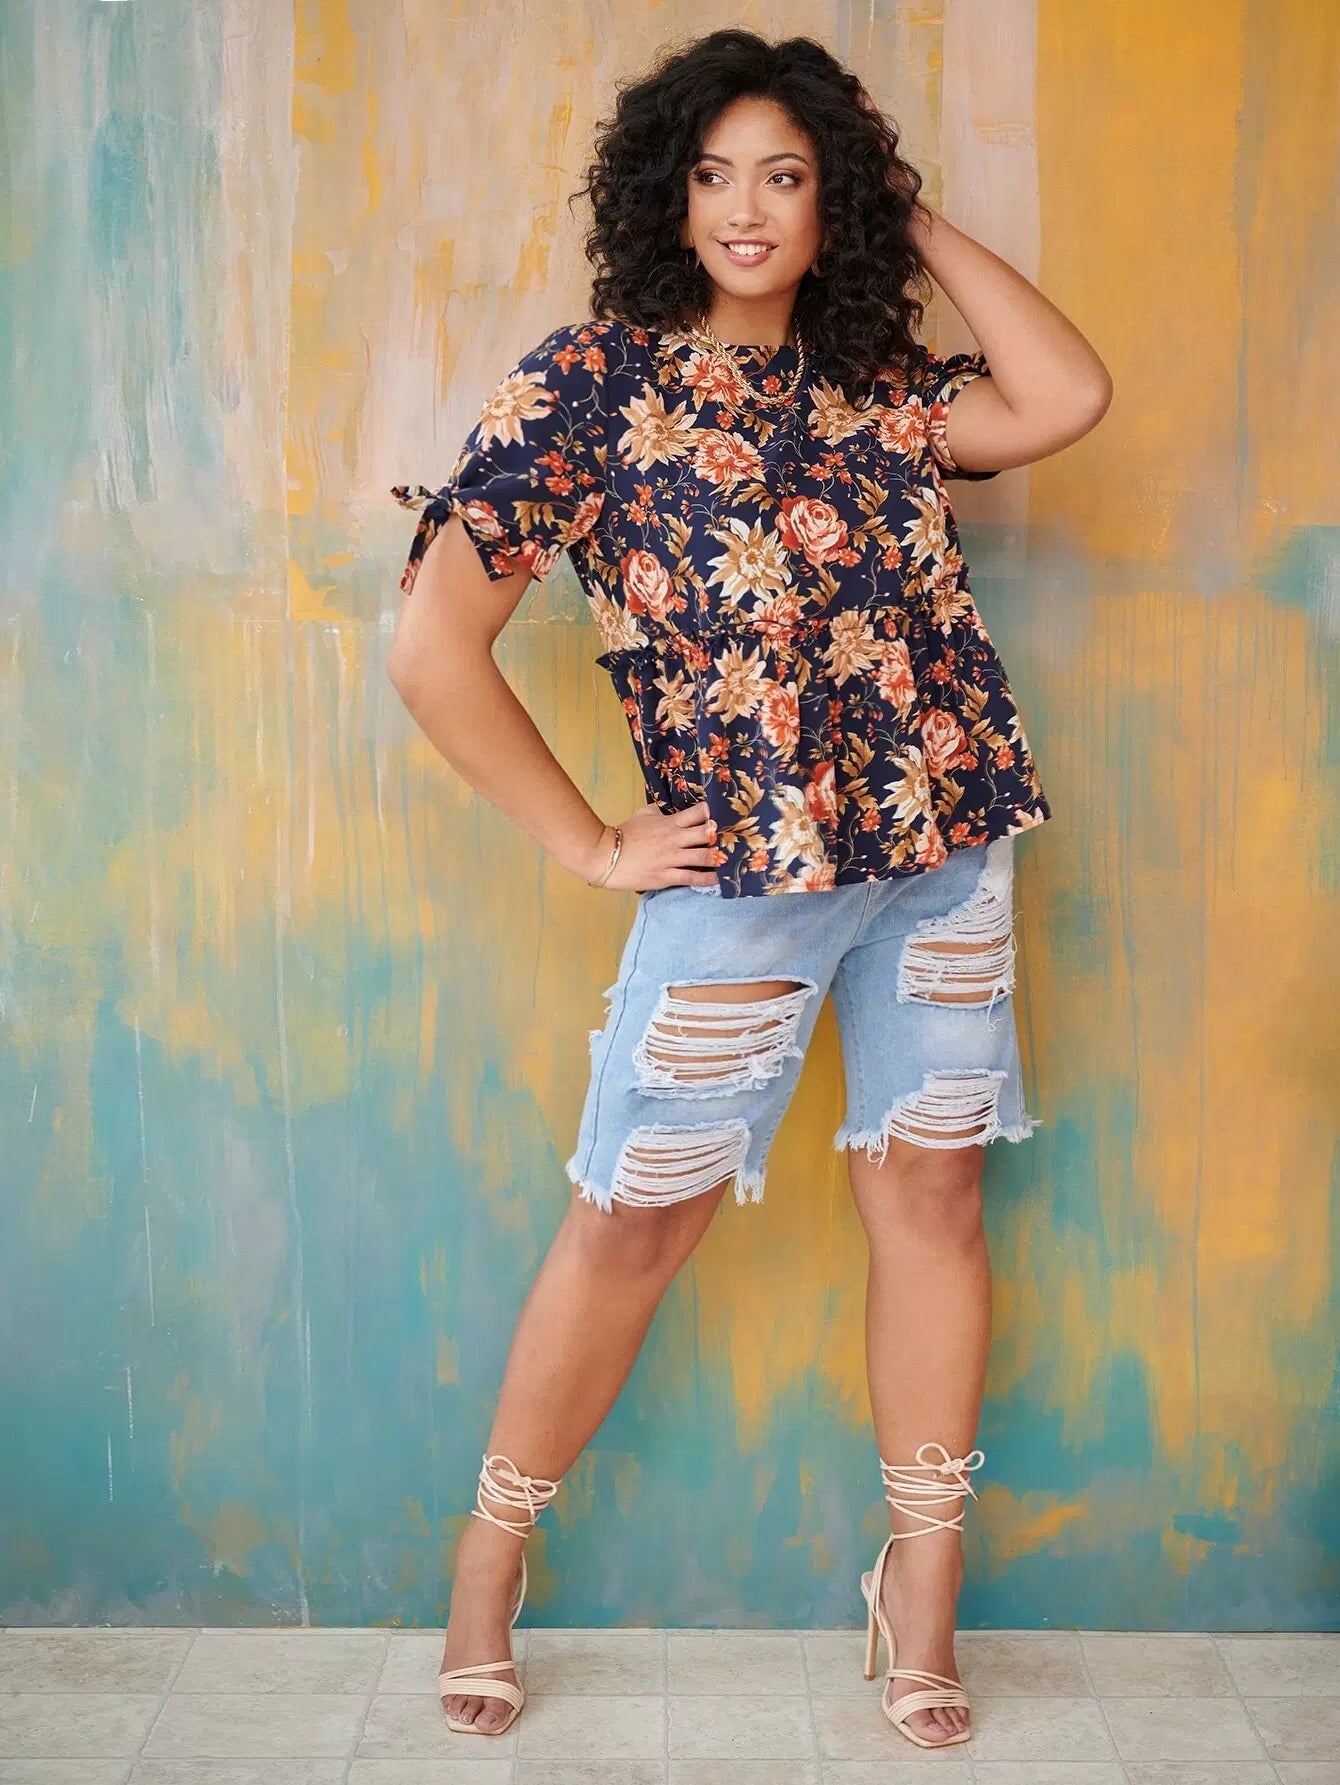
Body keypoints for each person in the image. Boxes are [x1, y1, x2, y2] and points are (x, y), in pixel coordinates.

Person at [387, 26, 1110, 1754]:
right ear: (665, 195)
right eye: (714, 174)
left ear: (831, 199)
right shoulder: (594, 385)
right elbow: (430, 644)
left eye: (789, 176)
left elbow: (1065, 398)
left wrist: (901, 209)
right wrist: (593, 841)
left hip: (941, 848)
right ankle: (490, 1557)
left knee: (934, 1202)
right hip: (743, 880)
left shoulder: (883, 383)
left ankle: (918, 1591)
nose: (746, 208)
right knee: (637, 1216)